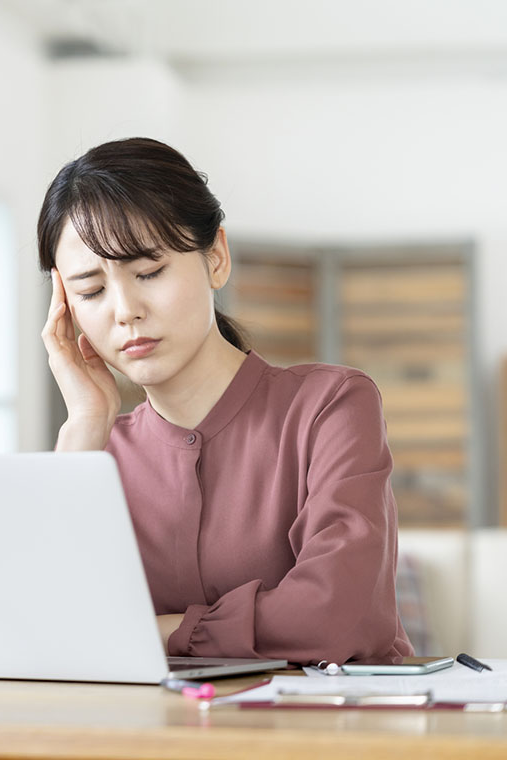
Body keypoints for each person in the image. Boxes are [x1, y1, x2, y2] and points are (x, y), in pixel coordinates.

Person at [38, 136, 413, 665]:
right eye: (91, 291)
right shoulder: (95, 453)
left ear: (215, 257)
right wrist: (81, 427)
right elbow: (41, 630)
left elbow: (337, 616)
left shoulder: (330, 406)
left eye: (149, 272)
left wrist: (164, 632)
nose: (125, 311)